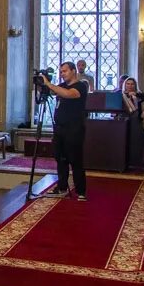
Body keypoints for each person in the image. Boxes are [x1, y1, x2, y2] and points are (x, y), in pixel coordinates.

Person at [42, 61, 89, 200]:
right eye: (61, 72)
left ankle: (81, 191)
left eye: (65, 71)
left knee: (75, 160)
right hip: (59, 128)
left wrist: (50, 84)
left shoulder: (81, 86)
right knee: (60, 159)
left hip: (74, 129)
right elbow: (51, 91)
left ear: (73, 71)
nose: (62, 74)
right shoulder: (61, 85)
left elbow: (69, 94)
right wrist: (43, 84)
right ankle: (62, 187)